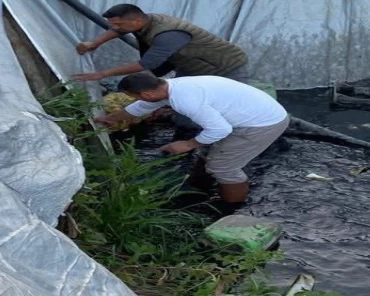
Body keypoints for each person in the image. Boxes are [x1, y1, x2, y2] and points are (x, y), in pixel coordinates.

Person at [96, 71, 289, 204]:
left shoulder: (185, 100)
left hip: (261, 124)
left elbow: (220, 129)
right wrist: (110, 119)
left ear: (146, 93)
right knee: (209, 155)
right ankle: (202, 188)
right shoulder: (169, 86)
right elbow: (142, 107)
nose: (137, 100)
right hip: (253, 113)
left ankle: (231, 209)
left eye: (135, 96)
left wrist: (187, 144)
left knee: (223, 167)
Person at [72, 4, 248, 82]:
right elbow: (118, 30)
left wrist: (102, 74)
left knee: (230, 108)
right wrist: (94, 43)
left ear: (135, 21)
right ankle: (187, 131)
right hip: (192, 66)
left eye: (117, 23)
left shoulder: (167, 33)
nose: (114, 27)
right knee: (184, 106)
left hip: (225, 66)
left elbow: (148, 63)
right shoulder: (146, 20)